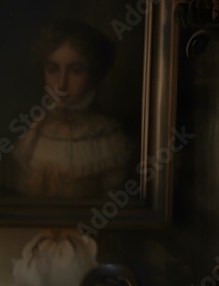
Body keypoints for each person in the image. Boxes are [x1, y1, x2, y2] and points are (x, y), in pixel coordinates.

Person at [10, 19, 132, 199]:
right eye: (52, 69)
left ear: (94, 74)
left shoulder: (109, 142)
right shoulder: (32, 133)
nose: (61, 83)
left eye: (76, 70)